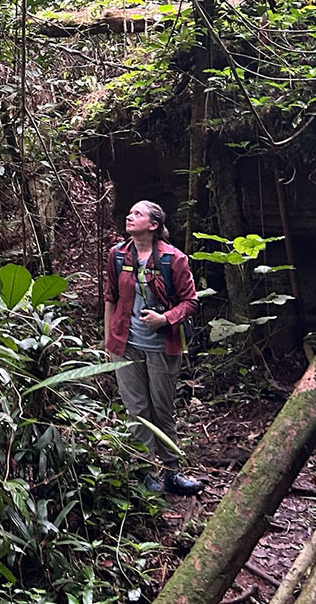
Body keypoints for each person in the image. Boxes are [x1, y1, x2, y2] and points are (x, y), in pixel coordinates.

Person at [103, 199, 204, 496]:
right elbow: (110, 297)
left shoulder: (173, 259)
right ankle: (145, 472)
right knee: (137, 410)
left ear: (154, 225)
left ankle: (172, 471)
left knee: (161, 409)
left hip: (162, 346)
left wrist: (165, 318)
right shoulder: (117, 255)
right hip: (126, 345)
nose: (129, 216)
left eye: (137, 214)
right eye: (129, 211)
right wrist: (109, 340)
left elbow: (191, 302)